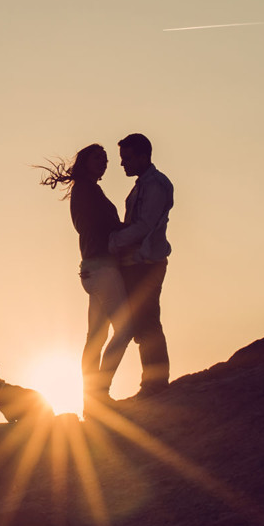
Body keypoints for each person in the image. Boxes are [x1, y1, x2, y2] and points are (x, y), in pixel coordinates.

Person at [39, 144, 126, 401]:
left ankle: (91, 398)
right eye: (98, 157)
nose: (104, 162)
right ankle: (99, 391)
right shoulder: (87, 191)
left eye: (106, 159)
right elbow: (103, 226)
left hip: (91, 268)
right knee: (125, 329)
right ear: (85, 161)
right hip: (103, 268)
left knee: (96, 337)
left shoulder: (85, 190)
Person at [100, 132, 174, 397]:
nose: (122, 164)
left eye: (127, 158)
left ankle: (155, 383)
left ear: (143, 156)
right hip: (136, 263)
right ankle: (153, 381)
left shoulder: (154, 185)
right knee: (142, 322)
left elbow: (144, 226)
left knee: (147, 320)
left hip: (147, 262)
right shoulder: (144, 184)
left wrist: (114, 240)